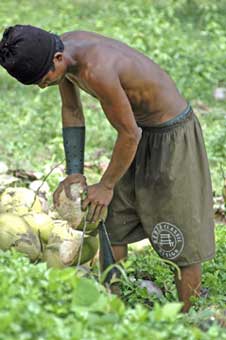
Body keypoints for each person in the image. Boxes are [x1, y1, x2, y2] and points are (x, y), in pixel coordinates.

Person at [0, 25, 215, 312]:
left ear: (57, 59)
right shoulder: (60, 55)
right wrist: (74, 171)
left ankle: (189, 317)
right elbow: (72, 111)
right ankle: (115, 304)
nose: (42, 86)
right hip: (136, 132)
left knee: (179, 231)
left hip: (170, 135)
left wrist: (107, 184)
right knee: (111, 220)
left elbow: (129, 134)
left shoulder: (96, 68)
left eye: (43, 79)